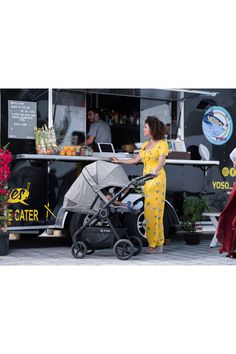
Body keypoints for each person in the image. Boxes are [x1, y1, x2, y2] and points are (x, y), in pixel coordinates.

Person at [111, 116, 168, 253]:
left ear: (152, 129)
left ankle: (156, 244)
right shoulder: (145, 145)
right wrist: (120, 161)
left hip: (157, 180)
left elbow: (161, 161)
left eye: (146, 127)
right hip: (146, 180)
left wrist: (155, 171)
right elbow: (136, 160)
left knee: (155, 212)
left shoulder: (162, 144)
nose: (143, 129)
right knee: (148, 212)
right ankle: (155, 243)